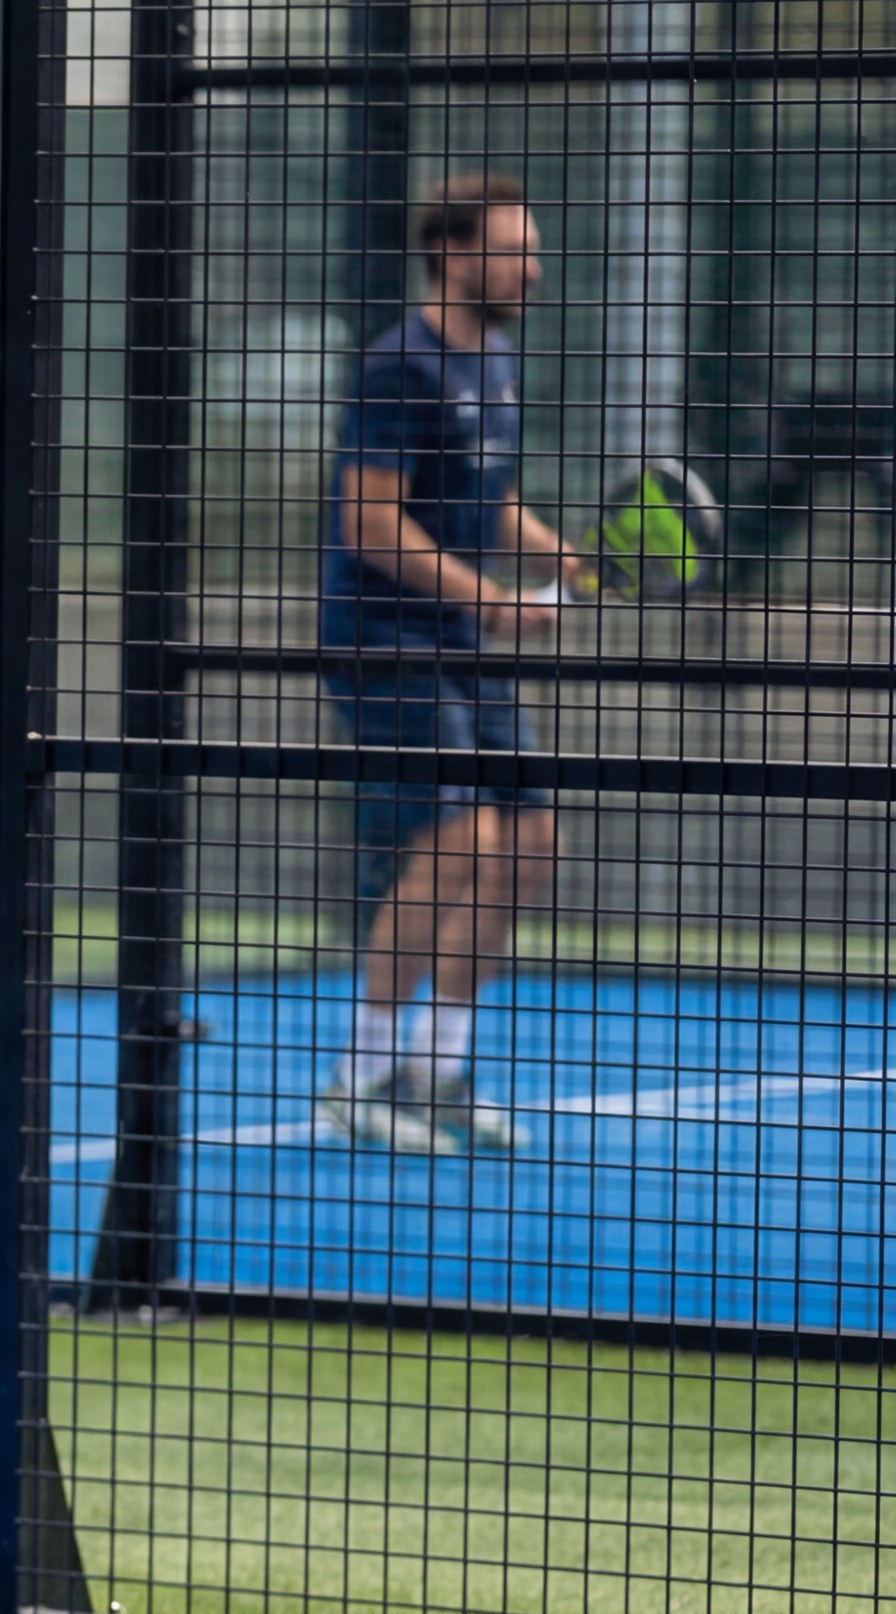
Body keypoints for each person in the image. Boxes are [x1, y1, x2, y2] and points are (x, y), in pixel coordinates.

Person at [312, 173, 575, 1156]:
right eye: (516, 249)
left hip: (460, 642)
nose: (534, 268)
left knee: (529, 845)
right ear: (456, 255)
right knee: (456, 843)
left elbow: (487, 501)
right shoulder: (397, 365)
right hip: (383, 640)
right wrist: (493, 601)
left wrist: (562, 561)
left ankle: (435, 1073)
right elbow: (371, 522)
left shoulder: (497, 360)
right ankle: (357, 1079)